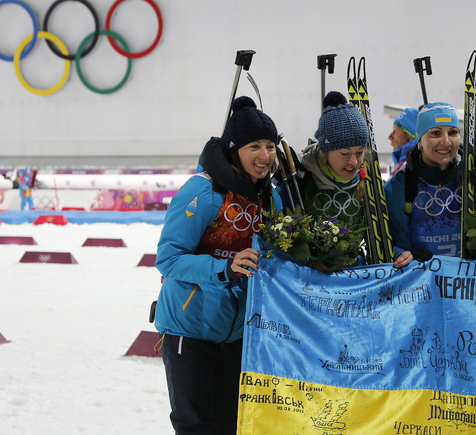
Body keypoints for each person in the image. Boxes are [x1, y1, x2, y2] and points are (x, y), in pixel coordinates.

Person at [153, 96, 283, 434]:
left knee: (232, 425)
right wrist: (223, 268)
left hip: (239, 334)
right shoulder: (204, 191)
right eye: (254, 146)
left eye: (270, 146)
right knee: (196, 426)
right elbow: (169, 259)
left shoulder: (270, 196)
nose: (265, 156)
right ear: (233, 149)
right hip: (189, 329)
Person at [285, 91, 413, 269]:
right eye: (345, 154)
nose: (354, 162)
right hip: (310, 280)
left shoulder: (371, 182)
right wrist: (305, 262)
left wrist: (399, 254)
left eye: (359, 152)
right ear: (325, 151)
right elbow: (281, 242)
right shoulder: (301, 180)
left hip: (353, 277)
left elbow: (382, 236)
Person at [384, 102, 476, 258]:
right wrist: (402, 255)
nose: (446, 142)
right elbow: (391, 242)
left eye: (452, 132)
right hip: (422, 279)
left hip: (467, 280)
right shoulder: (398, 187)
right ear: (419, 141)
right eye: (436, 133)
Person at [389, 107, 419, 173]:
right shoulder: (403, 165)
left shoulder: (415, 165)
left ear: (410, 135)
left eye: (395, 131)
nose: (390, 137)